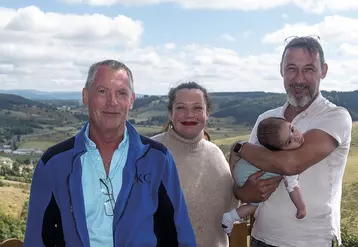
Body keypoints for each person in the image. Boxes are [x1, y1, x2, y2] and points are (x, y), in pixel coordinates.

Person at [23, 59, 197, 247]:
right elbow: (37, 239)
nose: (112, 102)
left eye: (121, 93)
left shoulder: (157, 159)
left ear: (131, 100)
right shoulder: (54, 163)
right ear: (85, 96)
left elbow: (180, 235)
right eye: (102, 91)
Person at [230, 36, 352, 247]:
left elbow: (291, 164)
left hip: (311, 241)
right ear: (281, 71)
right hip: (261, 237)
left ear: (323, 71)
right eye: (292, 68)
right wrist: (243, 191)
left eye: (309, 69)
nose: (299, 79)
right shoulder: (266, 119)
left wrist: (240, 147)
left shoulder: (335, 117)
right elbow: (240, 175)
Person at [152, 82, 238, 247]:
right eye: (181, 108)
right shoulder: (152, 153)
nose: (189, 114)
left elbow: (230, 206)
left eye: (197, 108)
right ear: (171, 113)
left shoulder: (216, 154)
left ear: (208, 113)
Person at [222, 117, 306, 235]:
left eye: (292, 129)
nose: (296, 136)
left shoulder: (266, 143)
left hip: (241, 166)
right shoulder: (284, 161)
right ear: (279, 149)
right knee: (255, 204)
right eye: (289, 142)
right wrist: (301, 207)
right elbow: (293, 188)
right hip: (247, 176)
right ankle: (229, 218)